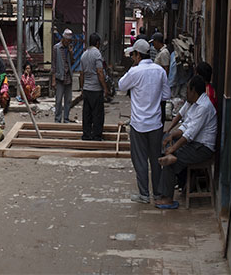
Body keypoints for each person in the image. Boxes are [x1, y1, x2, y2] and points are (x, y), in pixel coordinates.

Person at [118, 38, 170, 204]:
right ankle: (157, 193)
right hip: (155, 123)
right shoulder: (159, 71)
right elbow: (166, 95)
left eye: (133, 54)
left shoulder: (135, 72)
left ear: (137, 55)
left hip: (139, 124)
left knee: (139, 159)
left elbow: (121, 85)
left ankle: (144, 194)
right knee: (155, 159)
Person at [156, 74, 218, 210]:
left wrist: (174, 149)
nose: (186, 93)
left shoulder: (203, 107)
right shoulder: (195, 105)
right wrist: (172, 136)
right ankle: (175, 184)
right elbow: (186, 126)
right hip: (195, 144)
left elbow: (190, 134)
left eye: (188, 90)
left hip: (203, 148)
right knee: (168, 146)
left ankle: (167, 198)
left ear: (193, 91)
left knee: (171, 160)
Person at [79, 32, 107, 141]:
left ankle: (86, 135)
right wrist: (105, 88)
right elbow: (100, 72)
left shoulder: (84, 55)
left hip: (86, 89)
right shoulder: (97, 54)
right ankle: (96, 136)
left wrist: (82, 88)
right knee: (97, 114)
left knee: (87, 114)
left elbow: (81, 75)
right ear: (98, 43)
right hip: (96, 89)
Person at [52, 28, 74, 122]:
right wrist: (53, 80)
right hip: (59, 77)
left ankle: (66, 118)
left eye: (70, 41)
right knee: (58, 100)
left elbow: (72, 62)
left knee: (68, 100)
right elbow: (53, 64)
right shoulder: (56, 48)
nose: (68, 42)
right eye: (67, 40)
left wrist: (71, 52)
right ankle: (57, 119)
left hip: (68, 77)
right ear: (63, 39)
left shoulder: (69, 49)